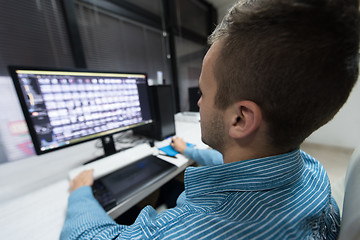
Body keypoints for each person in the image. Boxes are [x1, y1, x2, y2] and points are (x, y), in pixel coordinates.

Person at [60, 0, 359, 239]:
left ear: (240, 119)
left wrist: (81, 192)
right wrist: (188, 151)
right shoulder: (311, 171)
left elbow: (89, 235)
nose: (199, 103)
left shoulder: (191, 231)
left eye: (203, 92)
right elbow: (247, 170)